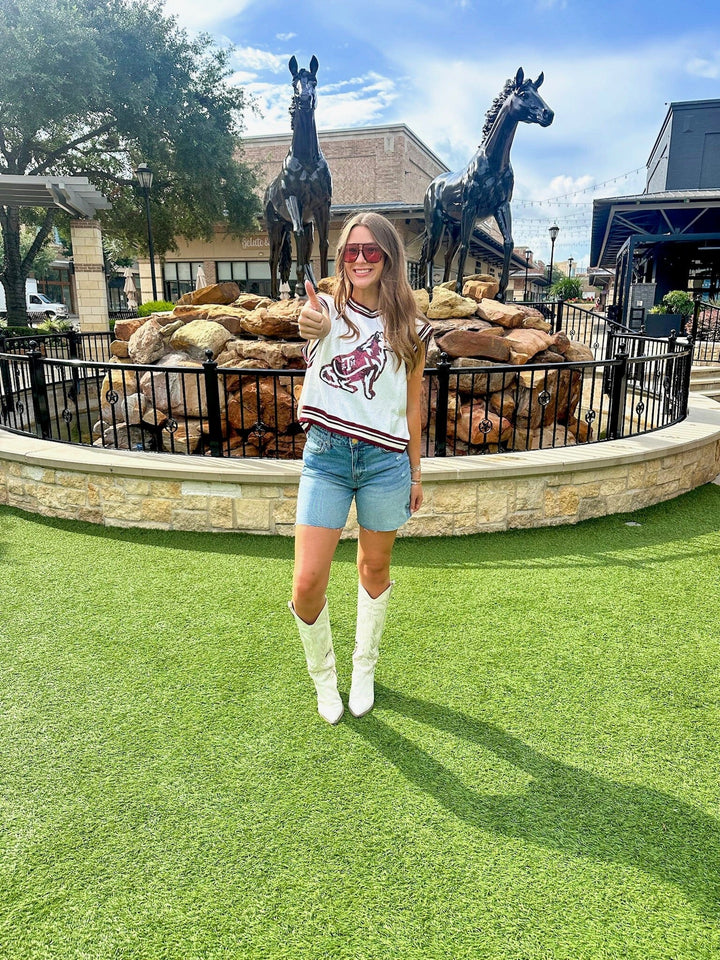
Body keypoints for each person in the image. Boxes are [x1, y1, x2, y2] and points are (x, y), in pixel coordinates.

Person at [288, 212, 433, 724]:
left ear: (390, 257)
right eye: (352, 250)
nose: (361, 259)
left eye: (373, 251)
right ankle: (323, 677)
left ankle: (363, 667)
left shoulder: (413, 328)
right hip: (326, 457)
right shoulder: (324, 308)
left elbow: (412, 406)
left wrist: (416, 474)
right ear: (341, 258)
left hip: (385, 463)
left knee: (374, 569)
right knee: (307, 582)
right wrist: (317, 324)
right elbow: (312, 326)